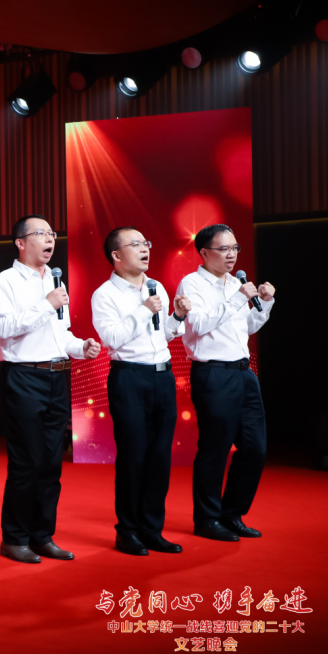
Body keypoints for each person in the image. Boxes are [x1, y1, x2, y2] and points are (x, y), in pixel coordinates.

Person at [0, 215, 101, 564]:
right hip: (24, 377)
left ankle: (42, 536)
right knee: (27, 460)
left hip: (56, 377)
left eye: (52, 233)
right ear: (21, 243)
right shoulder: (4, 282)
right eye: (41, 233)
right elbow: (4, 328)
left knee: (51, 463)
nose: (50, 239)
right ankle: (14, 538)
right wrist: (46, 303)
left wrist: (81, 347)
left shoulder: (54, 280)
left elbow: (60, 333)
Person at [91, 228, 191, 556]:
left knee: (160, 457)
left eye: (145, 243)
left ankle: (152, 529)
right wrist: (145, 309)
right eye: (135, 244)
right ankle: (128, 531)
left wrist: (176, 316)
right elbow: (112, 338)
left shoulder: (156, 286)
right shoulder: (104, 294)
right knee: (133, 456)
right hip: (129, 378)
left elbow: (164, 336)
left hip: (162, 377)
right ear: (116, 255)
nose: (144, 249)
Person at [175, 224, 274, 542]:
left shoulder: (236, 283)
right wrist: (236, 299)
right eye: (224, 249)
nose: (232, 255)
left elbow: (247, 326)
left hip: (244, 373)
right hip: (213, 373)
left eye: (235, 248)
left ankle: (232, 514)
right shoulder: (191, 283)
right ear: (204, 253)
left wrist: (265, 302)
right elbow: (198, 325)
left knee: (255, 448)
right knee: (215, 448)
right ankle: (206, 519)